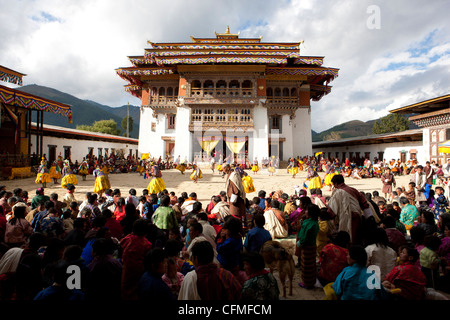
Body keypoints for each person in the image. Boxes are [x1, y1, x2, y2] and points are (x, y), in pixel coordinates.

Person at [327, 174, 373, 244]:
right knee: (355, 237)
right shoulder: (353, 190)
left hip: (345, 217)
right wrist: (370, 218)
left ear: (335, 183)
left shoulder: (337, 193)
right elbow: (364, 204)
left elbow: (332, 209)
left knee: (347, 238)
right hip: (357, 216)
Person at [120, 219, 153, 300]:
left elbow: (121, 243)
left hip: (126, 272)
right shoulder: (147, 245)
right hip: (139, 275)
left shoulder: (127, 239)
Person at [297, 203, 320, 289]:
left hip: (306, 247)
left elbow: (303, 236)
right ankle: (311, 281)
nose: (305, 212)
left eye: (306, 210)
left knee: (306, 266)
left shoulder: (308, 223)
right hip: (312, 245)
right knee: (311, 264)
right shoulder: (315, 222)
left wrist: (300, 242)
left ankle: (307, 283)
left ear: (310, 213)